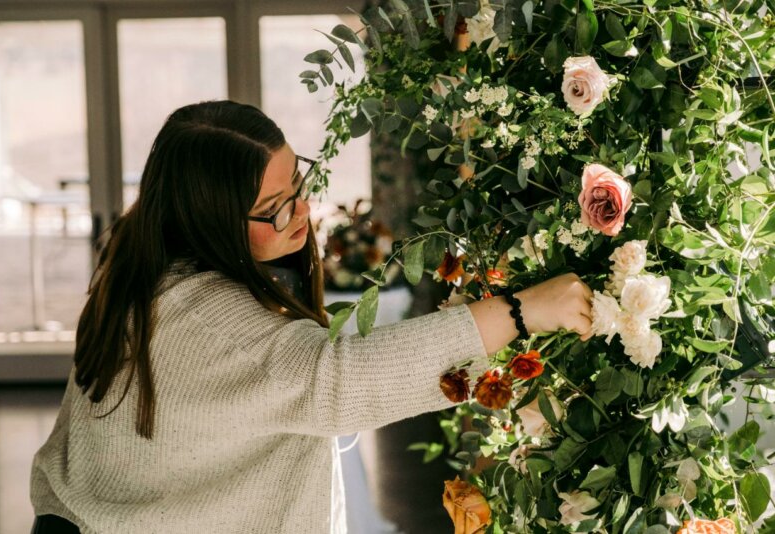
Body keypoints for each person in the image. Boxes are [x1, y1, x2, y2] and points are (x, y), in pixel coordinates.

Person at [30, 100, 593, 534]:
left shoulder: (141, 270)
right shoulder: (200, 316)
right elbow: (336, 377)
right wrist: (522, 311)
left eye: (296, 186)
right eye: (271, 209)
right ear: (209, 217)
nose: (298, 213)